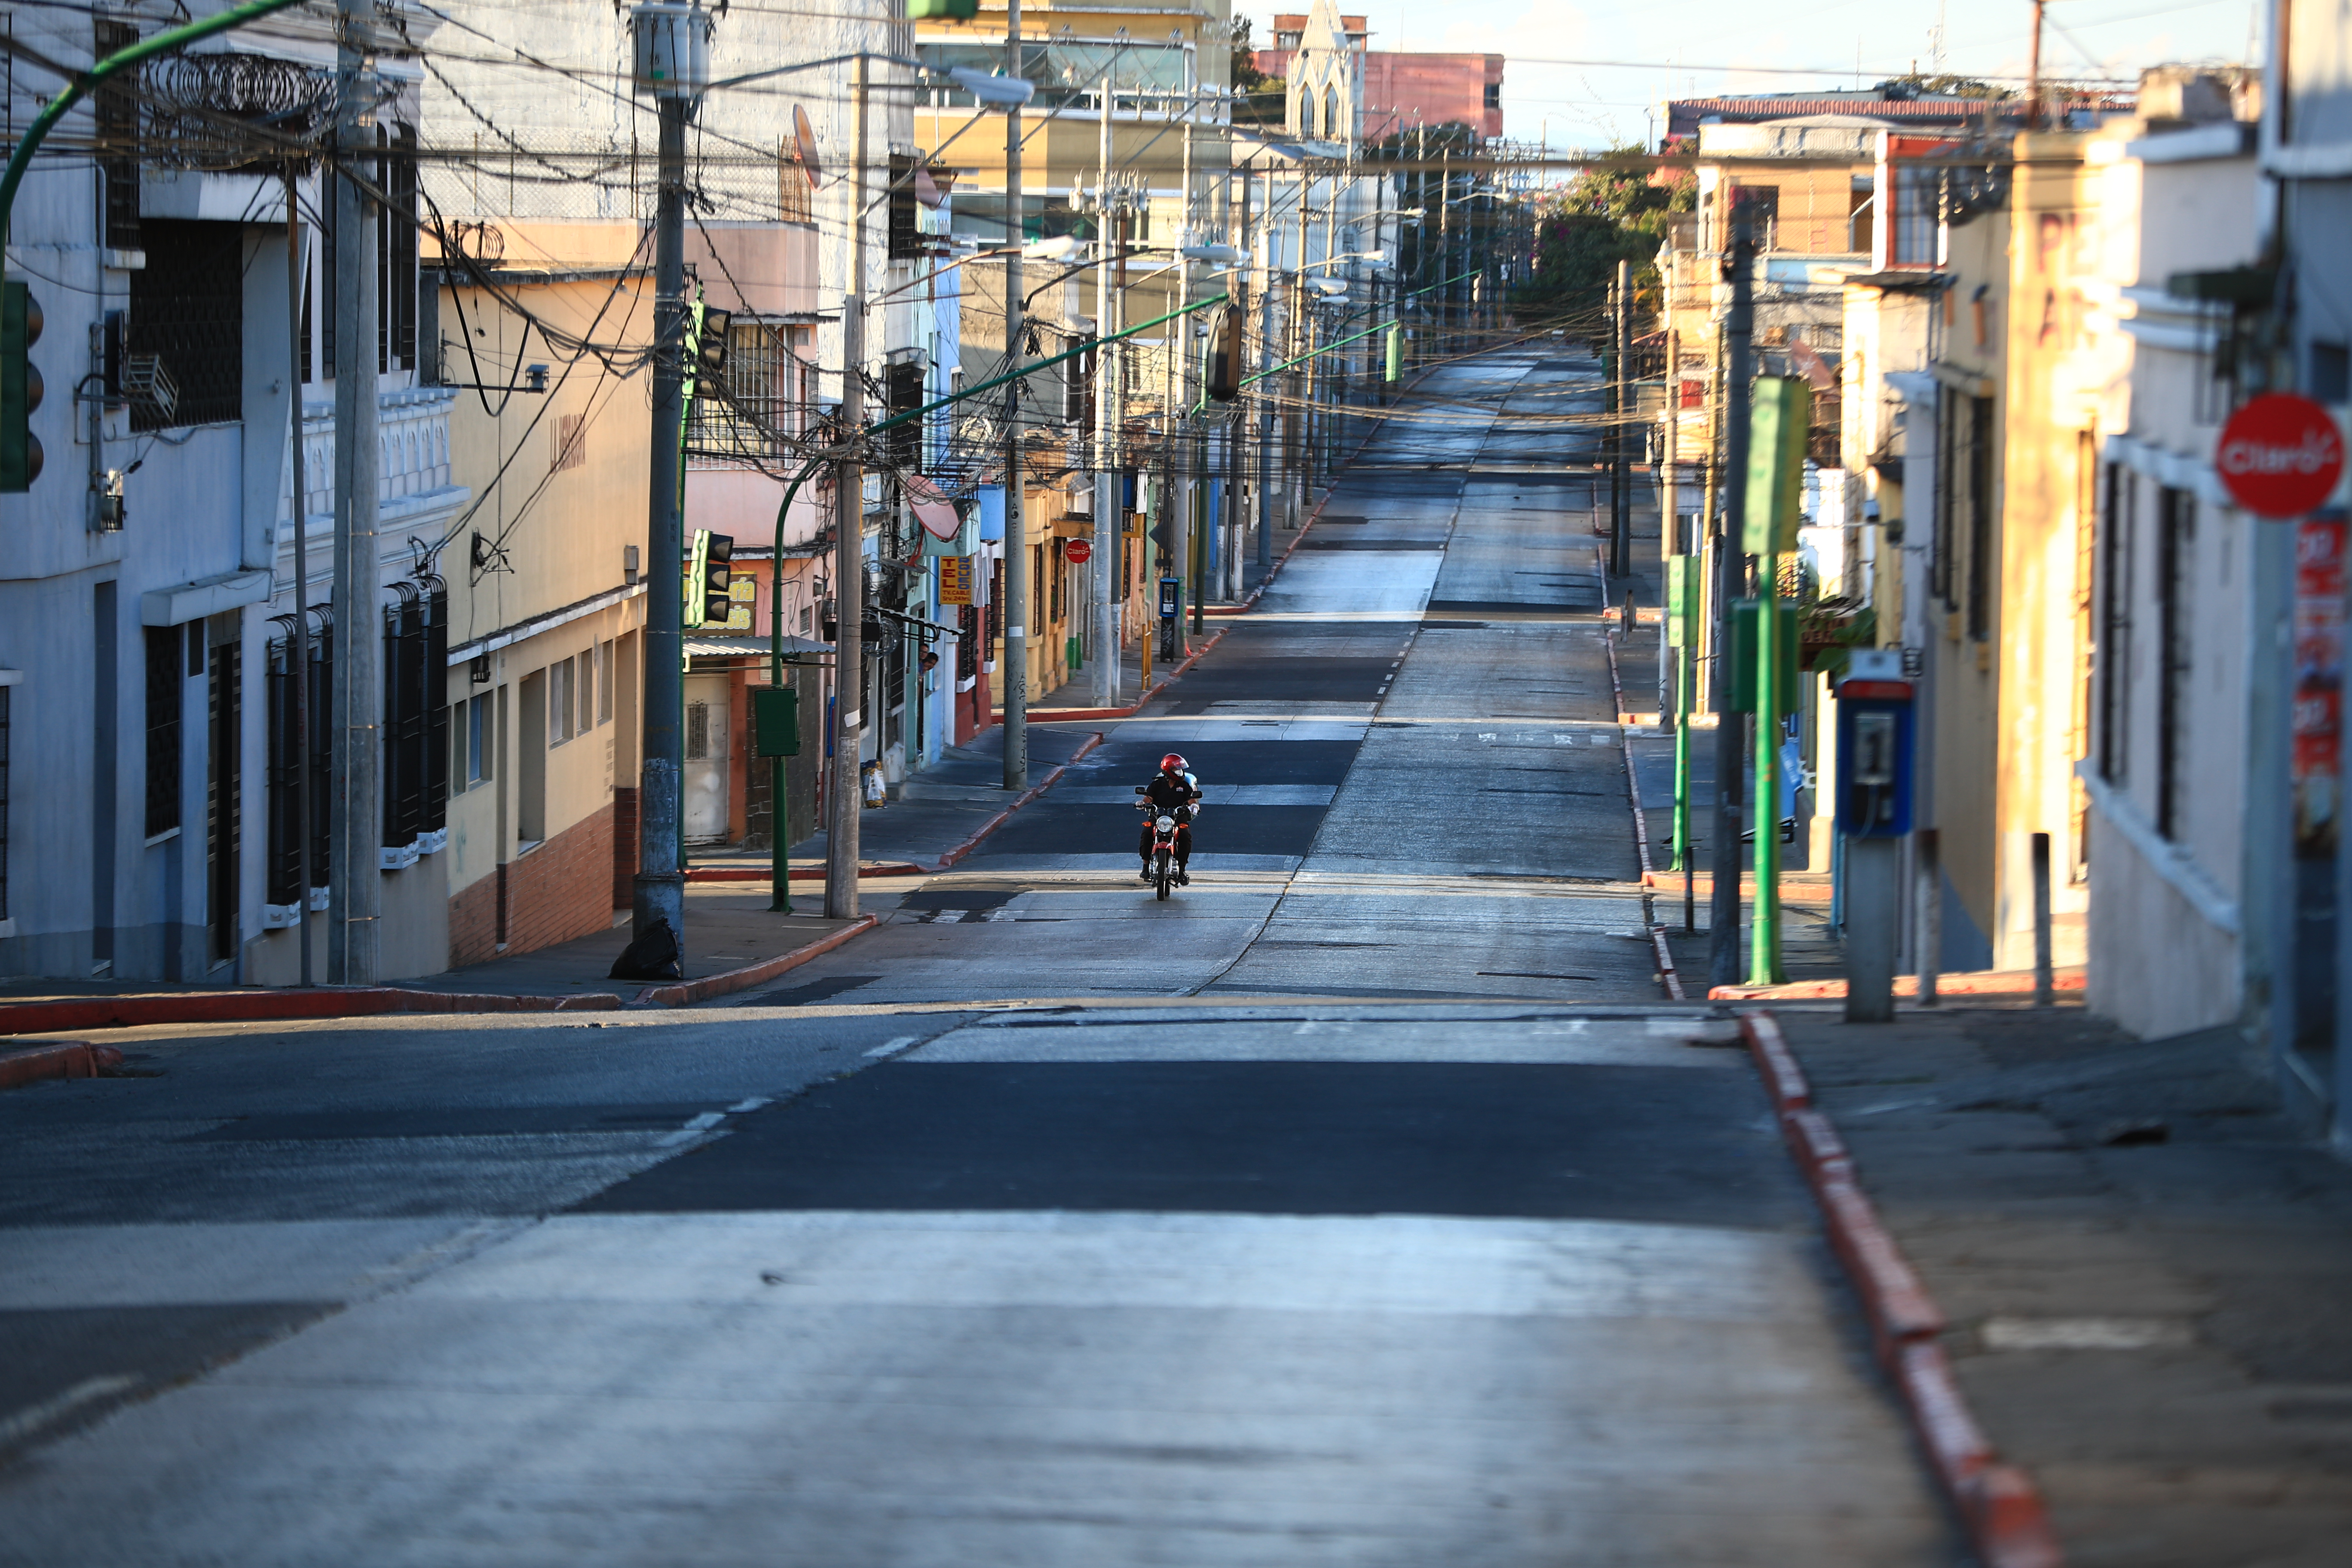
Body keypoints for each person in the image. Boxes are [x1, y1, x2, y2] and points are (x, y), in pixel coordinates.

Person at [1137, 752, 1201, 884]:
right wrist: (1142, 803)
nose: (1180, 772)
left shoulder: (1184, 786)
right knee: (1147, 832)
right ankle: (1145, 866)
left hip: (1178, 817)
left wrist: (1194, 807)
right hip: (1158, 817)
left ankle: (1182, 870)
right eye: (1176, 770)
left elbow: (1191, 800)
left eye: (1180, 769)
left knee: (1185, 835)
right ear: (1168, 770)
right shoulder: (1157, 785)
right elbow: (1148, 798)